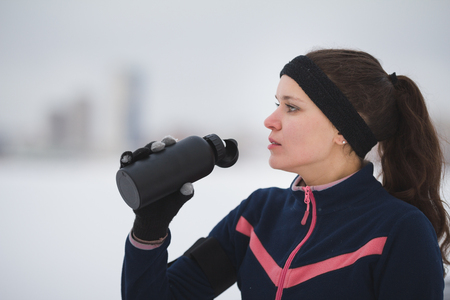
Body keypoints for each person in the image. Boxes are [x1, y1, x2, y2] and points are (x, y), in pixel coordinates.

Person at [120, 49, 449, 299]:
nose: (270, 120)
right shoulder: (258, 216)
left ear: (344, 129)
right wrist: (150, 229)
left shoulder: (399, 232)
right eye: (276, 103)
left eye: (291, 107)